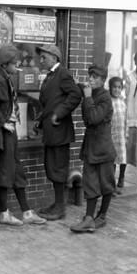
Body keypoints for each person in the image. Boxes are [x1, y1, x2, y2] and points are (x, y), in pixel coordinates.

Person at [0, 44, 46, 226]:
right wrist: (2, 123)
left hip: (10, 131)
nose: (17, 67)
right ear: (5, 64)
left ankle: (26, 211)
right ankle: (4, 213)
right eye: (14, 64)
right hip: (4, 133)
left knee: (17, 170)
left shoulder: (5, 76)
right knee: (5, 170)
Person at [35, 44, 82, 220]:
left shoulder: (63, 74)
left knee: (58, 168)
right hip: (51, 132)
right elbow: (50, 103)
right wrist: (40, 120)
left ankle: (60, 208)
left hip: (60, 132)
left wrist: (59, 114)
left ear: (54, 58)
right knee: (52, 167)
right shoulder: (50, 76)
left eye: (44, 57)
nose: (41, 60)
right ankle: (57, 204)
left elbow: (76, 95)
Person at [70, 66, 116, 233]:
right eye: (90, 76)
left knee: (106, 184)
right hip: (91, 147)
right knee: (90, 183)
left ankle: (102, 216)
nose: (90, 80)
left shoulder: (105, 98)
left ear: (103, 80)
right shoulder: (90, 96)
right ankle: (89, 218)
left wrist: (88, 98)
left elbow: (95, 118)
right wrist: (87, 97)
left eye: (95, 77)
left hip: (103, 149)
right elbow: (87, 119)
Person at [108, 76, 127, 194]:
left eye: (119, 87)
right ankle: (112, 184)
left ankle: (121, 178)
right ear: (110, 88)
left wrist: (127, 133)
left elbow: (125, 119)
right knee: (113, 160)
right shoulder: (109, 101)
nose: (117, 90)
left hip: (121, 135)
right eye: (114, 87)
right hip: (112, 135)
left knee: (123, 159)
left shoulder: (122, 102)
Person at [124, 49, 137, 169]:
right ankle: (121, 175)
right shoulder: (130, 77)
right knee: (126, 148)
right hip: (130, 118)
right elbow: (125, 96)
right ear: (136, 61)